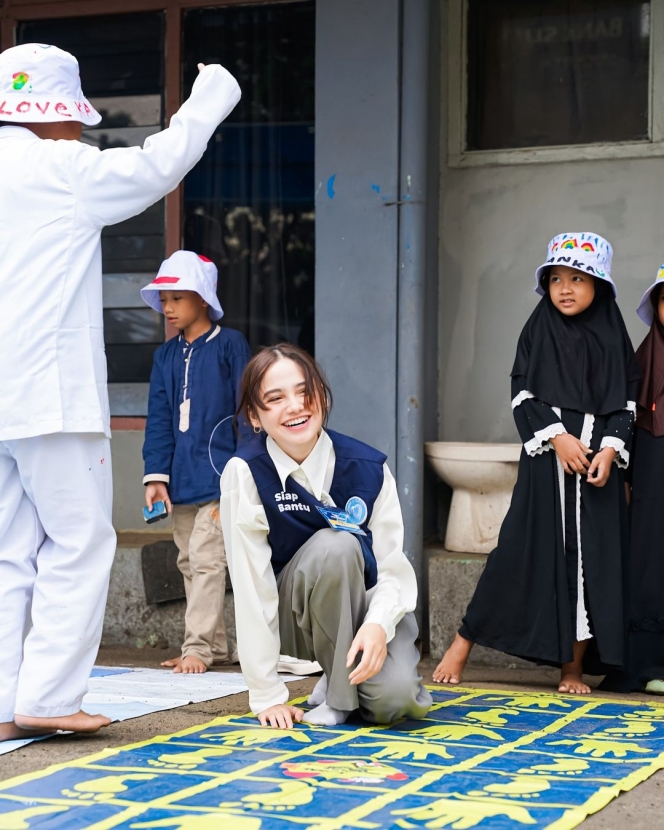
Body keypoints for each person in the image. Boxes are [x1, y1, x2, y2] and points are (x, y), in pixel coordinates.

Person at [0, 43, 241, 740]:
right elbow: (159, 163)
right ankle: (47, 696)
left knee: (9, 551)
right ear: (54, 114)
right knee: (78, 542)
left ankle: (7, 697)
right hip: (51, 395)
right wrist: (212, 95)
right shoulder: (63, 168)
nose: (82, 128)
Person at [433, 233, 639, 694]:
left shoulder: (613, 336)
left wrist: (608, 450)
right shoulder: (539, 330)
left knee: (591, 567)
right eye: (556, 278)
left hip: (598, 478)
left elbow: (625, 403)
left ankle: (571, 669)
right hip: (549, 468)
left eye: (578, 278)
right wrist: (560, 439)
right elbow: (523, 394)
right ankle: (463, 642)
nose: (565, 288)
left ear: (600, 286)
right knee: (517, 554)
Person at [220, 344, 432, 728]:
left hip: (362, 610)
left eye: (305, 391)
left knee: (396, 701)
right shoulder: (245, 472)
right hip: (294, 620)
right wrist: (267, 695)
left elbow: (392, 571)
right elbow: (252, 587)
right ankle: (340, 696)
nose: (296, 406)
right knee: (337, 545)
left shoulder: (368, 468)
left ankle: (335, 685)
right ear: (254, 415)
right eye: (276, 398)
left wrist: (377, 625)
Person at [141, 250, 251, 674]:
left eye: (177, 299)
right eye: (164, 300)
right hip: (181, 480)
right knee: (189, 561)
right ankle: (217, 647)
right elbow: (159, 420)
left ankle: (198, 648)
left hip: (222, 478)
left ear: (203, 298)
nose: (167, 309)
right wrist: (156, 477)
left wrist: (246, 472)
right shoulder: (165, 357)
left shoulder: (230, 345)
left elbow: (246, 411)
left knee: (207, 561)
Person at [601, 266, 664, 693]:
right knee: (650, 561)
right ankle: (649, 665)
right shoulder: (645, 360)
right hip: (653, 481)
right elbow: (626, 422)